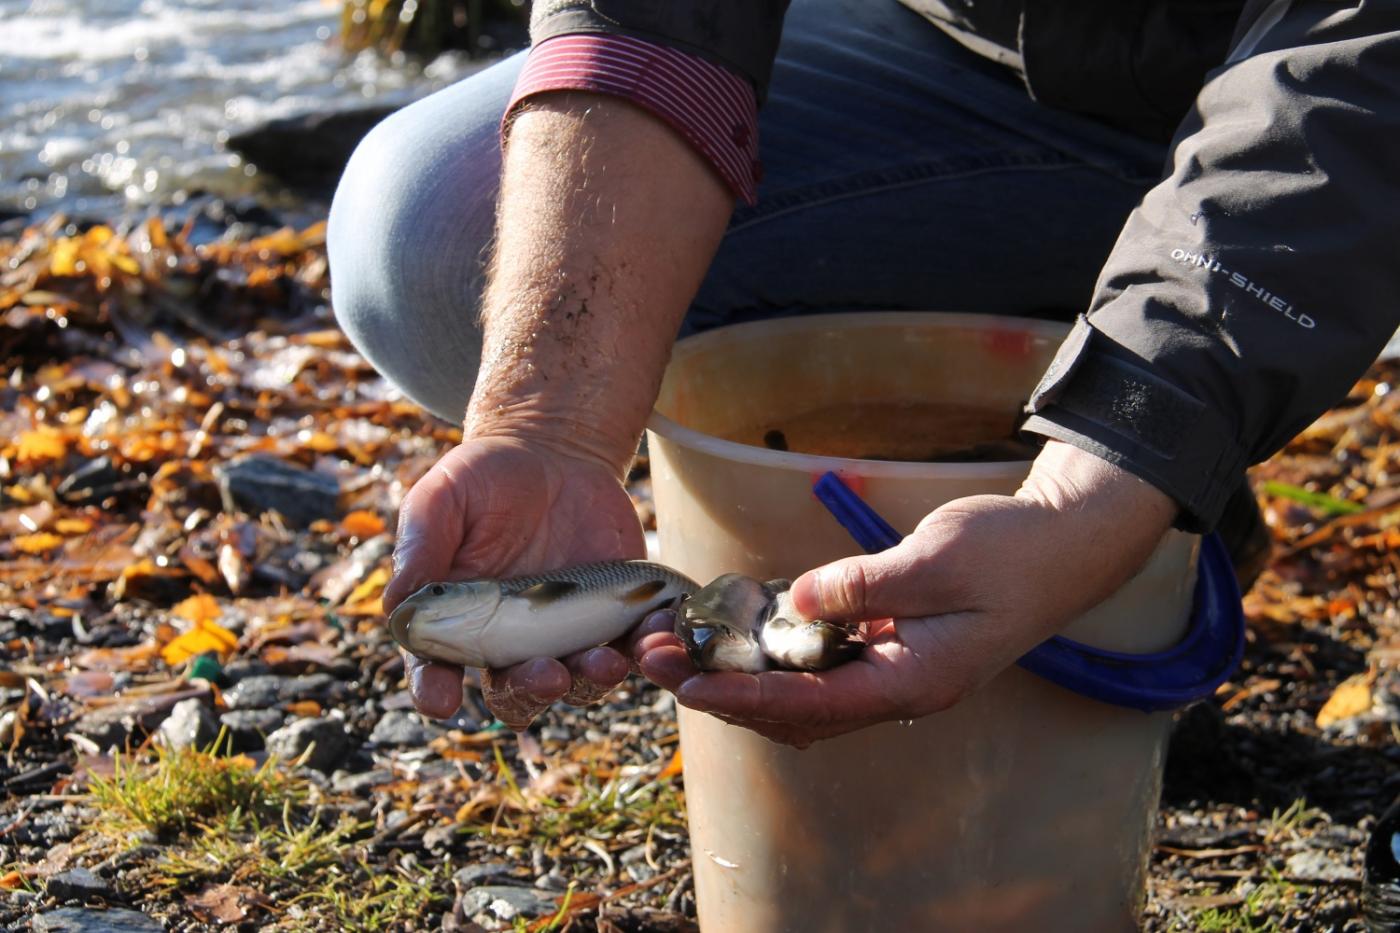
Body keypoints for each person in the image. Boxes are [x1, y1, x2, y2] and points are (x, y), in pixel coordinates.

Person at [327, 0, 1400, 746]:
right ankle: (1139, 470)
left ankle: (1144, 480)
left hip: (1339, 93)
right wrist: (548, 423)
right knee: (439, 227)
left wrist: (1115, 469)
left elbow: (1358, 61)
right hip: (986, 53)